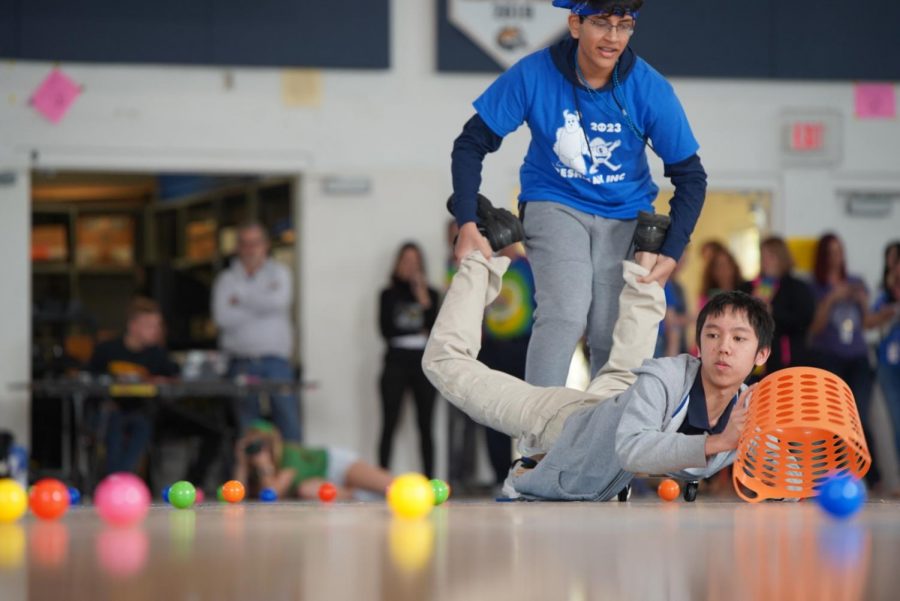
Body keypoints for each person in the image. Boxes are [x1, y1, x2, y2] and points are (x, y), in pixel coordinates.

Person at [448, 0, 707, 388]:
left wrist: (672, 252)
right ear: (575, 24)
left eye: (624, 25)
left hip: (626, 213)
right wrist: (467, 221)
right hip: (554, 200)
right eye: (602, 24)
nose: (613, 37)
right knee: (565, 313)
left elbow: (691, 176)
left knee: (609, 331)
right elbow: (471, 143)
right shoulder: (534, 74)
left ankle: (606, 440)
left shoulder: (650, 89)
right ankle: (536, 441)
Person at [422, 219, 774, 501]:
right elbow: (633, 448)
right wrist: (721, 442)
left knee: (624, 369)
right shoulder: (668, 376)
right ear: (699, 343)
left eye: (739, 339)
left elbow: (785, 461)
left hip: (615, 406)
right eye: (712, 335)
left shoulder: (749, 407)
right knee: (442, 362)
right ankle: (479, 257)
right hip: (562, 420)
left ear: (761, 354)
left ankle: (648, 254)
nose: (724, 347)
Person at [212, 222, 301, 442]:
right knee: (247, 428)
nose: (250, 248)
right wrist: (262, 305)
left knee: (288, 421)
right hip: (240, 362)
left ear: (266, 245)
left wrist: (240, 299)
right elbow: (222, 317)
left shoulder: (280, 273)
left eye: (255, 243)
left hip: (275, 361)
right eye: (244, 243)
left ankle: (294, 475)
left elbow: (279, 303)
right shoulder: (226, 279)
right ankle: (250, 476)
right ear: (237, 247)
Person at [808, 233, 882, 486]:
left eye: (838, 250)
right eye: (829, 251)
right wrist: (831, 298)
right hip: (827, 358)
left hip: (858, 358)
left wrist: (864, 304)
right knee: (831, 419)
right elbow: (813, 329)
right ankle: (834, 474)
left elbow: (868, 323)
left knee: (859, 414)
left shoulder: (856, 282)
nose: (835, 256)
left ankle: (869, 476)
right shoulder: (813, 285)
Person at [88, 297, 179, 475]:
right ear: (133, 326)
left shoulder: (157, 354)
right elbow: (88, 378)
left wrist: (160, 379)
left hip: (141, 411)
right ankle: (117, 479)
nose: (155, 331)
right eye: (149, 325)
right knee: (112, 423)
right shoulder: (107, 349)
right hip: (107, 410)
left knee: (142, 425)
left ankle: (121, 479)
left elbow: (175, 375)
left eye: (157, 325)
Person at [378, 242, 440, 476]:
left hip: (423, 364)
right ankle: (381, 478)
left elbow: (435, 330)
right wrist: (416, 330)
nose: (410, 266)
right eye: (406, 261)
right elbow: (386, 330)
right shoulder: (388, 294)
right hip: (395, 362)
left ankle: (430, 479)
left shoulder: (430, 294)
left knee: (426, 425)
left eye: (415, 261)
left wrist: (423, 300)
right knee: (389, 422)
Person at [478, 243, 536, 486]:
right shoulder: (489, 266)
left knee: (529, 412)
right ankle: (499, 474)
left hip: (524, 345)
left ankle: (529, 469)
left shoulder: (530, 267)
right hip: (494, 346)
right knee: (494, 412)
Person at [234, 420, 393, 500]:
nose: (258, 450)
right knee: (306, 489)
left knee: (392, 485)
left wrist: (265, 466)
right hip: (321, 483)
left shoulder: (288, 454)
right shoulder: (253, 465)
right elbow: (241, 493)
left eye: (262, 443)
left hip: (334, 464)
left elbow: (273, 491)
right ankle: (359, 494)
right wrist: (242, 463)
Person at [740, 236, 814, 374]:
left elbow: (804, 320)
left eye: (771, 256)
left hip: (789, 360)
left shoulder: (797, 287)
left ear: (782, 258)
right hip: (754, 361)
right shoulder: (749, 286)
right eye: (763, 256)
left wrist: (772, 311)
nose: (766, 261)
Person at [873, 246, 900, 492]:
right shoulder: (885, 295)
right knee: (896, 422)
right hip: (889, 364)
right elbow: (869, 321)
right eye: (891, 262)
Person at [699, 245, 744, 310]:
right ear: (712, 271)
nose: (723, 270)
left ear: (733, 267)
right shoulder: (706, 297)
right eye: (719, 266)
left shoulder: (746, 291)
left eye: (726, 265)